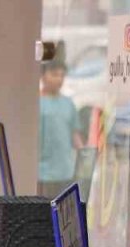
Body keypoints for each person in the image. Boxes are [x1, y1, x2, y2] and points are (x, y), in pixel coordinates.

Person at [38, 58, 83, 198]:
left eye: (62, 75)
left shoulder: (68, 104)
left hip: (65, 173)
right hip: (43, 174)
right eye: (55, 75)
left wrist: (84, 156)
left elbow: (75, 135)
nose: (59, 79)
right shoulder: (37, 103)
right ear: (43, 76)